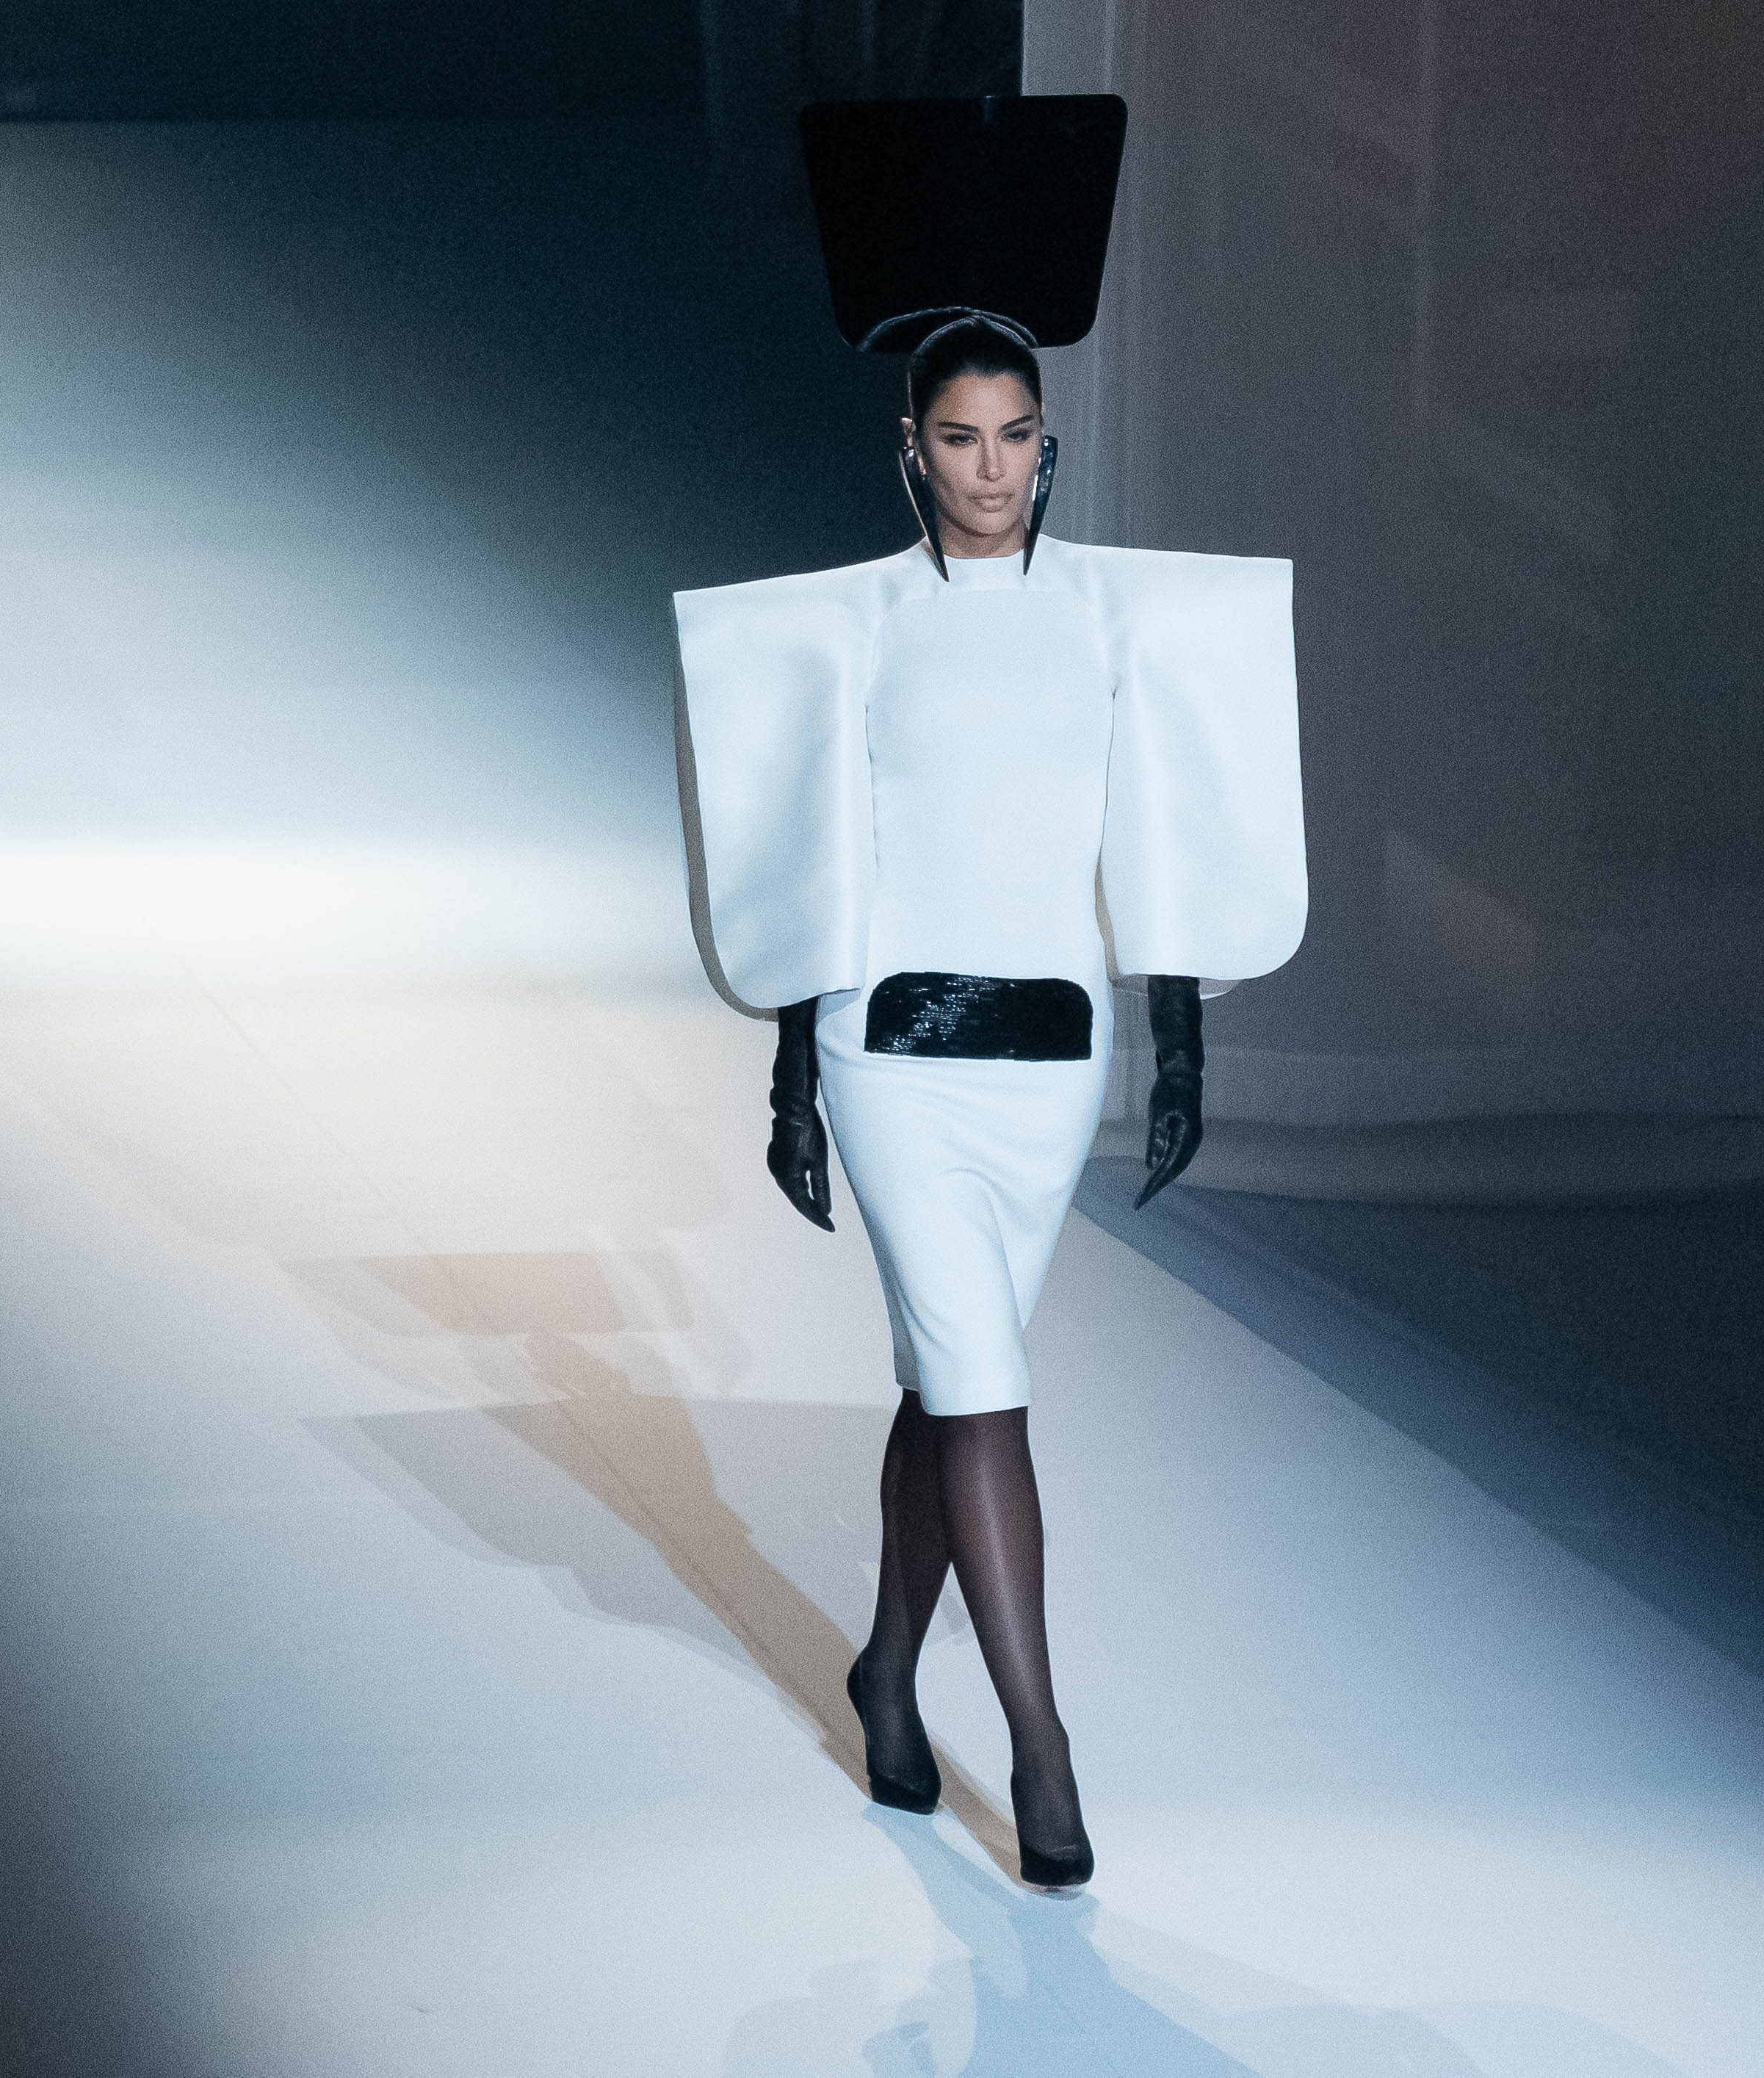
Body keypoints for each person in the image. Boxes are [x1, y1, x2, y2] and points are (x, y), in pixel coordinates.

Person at [673, 300, 1304, 1894]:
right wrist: (793, 1082)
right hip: (890, 1051)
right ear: (913, 448)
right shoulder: (861, 622)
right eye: (960, 437)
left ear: (1048, 442)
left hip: (1051, 1060)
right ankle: (1042, 1749)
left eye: (1017, 434)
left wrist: (1181, 1045)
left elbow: (1160, 823)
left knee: (948, 1381)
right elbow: (814, 846)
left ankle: (887, 1667)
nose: (992, 466)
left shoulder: (1108, 616)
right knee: (987, 1385)